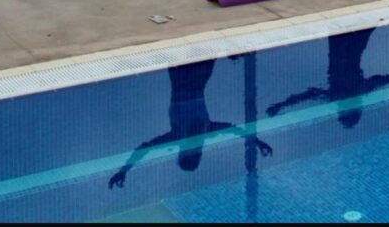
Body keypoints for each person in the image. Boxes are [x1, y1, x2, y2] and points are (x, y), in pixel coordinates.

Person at [108, 58, 272, 185]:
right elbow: (235, 130)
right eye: (197, 154)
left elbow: (145, 148)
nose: (196, 149)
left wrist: (124, 170)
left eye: (191, 153)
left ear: (183, 151)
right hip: (200, 77)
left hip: (181, 77)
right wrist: (257, 142)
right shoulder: (207, 130)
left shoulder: (177, 135)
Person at [266, 28, 389, 129]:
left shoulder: (339, 95)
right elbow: (388, 79)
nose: (343, 108)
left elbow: (307, 95)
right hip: (351, 51)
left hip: (341, 48)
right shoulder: (358, 90)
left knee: (354, 29)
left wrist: (281, 105)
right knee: (365, 25)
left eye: (342, 111)